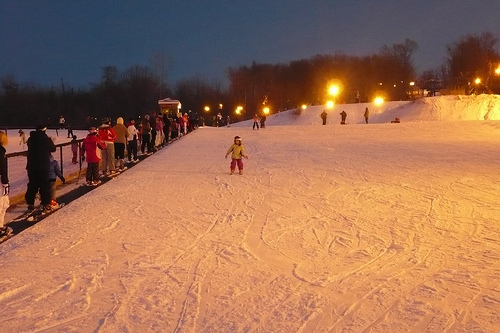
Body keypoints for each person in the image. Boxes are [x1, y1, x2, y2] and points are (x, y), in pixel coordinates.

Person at [25, 125, 56, 212]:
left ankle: (30, 203)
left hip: (31, 166)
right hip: (43, 166)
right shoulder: (46, 140)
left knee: (32, 185)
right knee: (44, 186)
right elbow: (53, 148)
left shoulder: (31, 139)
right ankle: (45, 204)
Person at [0, 131, 11, 237]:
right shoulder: (1, 151)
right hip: (0, 180)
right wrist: (5, 181)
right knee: (2, 203)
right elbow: (3, 167)